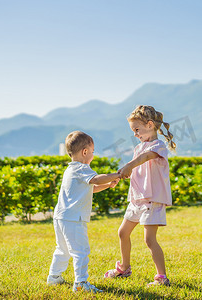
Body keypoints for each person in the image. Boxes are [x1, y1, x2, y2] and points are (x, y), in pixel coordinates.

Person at [104, 105, 176, 287]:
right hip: (136, 200)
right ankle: (124, 268)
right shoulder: (139, 148)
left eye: (137, 130)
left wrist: (129, 165)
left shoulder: (158, 146)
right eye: (133, 131)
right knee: (123, 232)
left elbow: (144, 158)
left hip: (151, 200)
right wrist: (122, 174)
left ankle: (162, 277)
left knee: (149, 239)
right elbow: (137, 167)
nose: (135, 134)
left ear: (150, 125)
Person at [47, 131, 120, 293]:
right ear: (85, 152)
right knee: (81, 251)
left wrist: (108, 184)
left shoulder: (71, 170)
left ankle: (54, 277)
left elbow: (90, 188)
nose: (93, 155)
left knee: (63, 249)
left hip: (61, 217)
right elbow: (96, 179)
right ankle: (80, 283)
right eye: (93, 152)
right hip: (74, 219)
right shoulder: (82, 168)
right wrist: (118, 174)